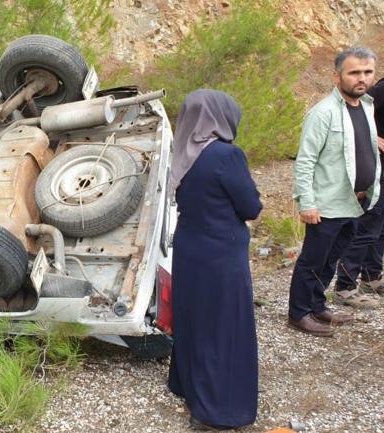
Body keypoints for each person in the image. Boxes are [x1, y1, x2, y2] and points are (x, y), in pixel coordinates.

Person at [168, 89, 262, 430]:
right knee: (224, 327)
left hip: (189, 249)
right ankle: (215, 411)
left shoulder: (182, 152)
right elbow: (250, 207)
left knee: (194, 319)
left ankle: (189, 387)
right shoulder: (226, 155)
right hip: (221, 254)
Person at [288, 47, 381, 337]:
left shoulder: (366, 106)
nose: (361, 78)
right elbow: (305, 161)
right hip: (326, 205)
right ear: (338, 75)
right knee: (312, 260)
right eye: (354, 72)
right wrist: (307, 202)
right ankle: (299, 313)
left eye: (367, 72)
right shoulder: (323, 112)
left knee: (331, 259)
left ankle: (317, 305)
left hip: (355, 203)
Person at [335, 71, 384, 300]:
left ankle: (372, 277)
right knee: (368, 228)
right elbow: (354, 106)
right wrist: (373, 137)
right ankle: (345, 286)